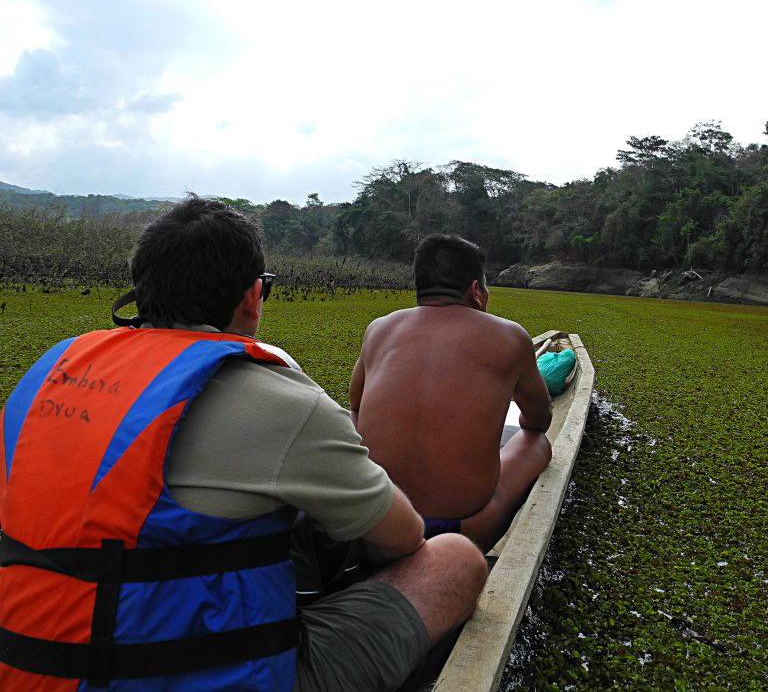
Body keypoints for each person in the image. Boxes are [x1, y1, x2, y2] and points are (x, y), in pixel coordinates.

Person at [0, 196, 487, 691]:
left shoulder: (51, 370)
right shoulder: (281, 399)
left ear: (142, 288)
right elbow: (403, 538)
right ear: (253, 296)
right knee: (453, 558)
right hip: (203, 677)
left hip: (24, 670)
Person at [349, 234, 553, 552]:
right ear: (476, 291)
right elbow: (539, 419)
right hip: (461, 529)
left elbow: (355, 404)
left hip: (376, 519)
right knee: (537, 442)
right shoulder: (509, 336)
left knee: (354, 420)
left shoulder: (379, 328)